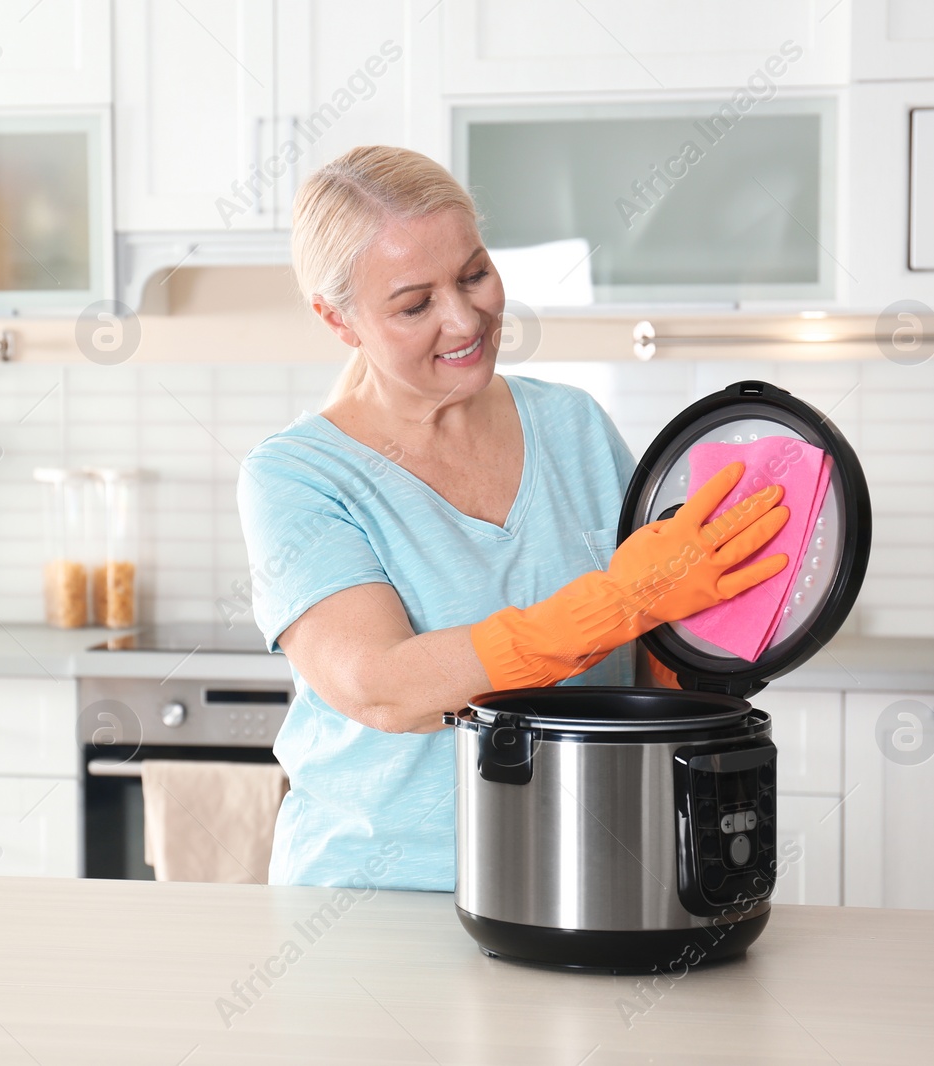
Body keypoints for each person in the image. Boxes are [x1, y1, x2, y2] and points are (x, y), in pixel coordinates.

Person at [236, 146, 789, 891]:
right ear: (337, 320)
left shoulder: (575, 427)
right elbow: (383, 686)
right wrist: (624, 598)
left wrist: (734, 617)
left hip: (587, 879)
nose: (465, 318)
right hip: (377, 900)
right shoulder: (298, 476)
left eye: (473, 274)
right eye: (413, 304)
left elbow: (655, 656)